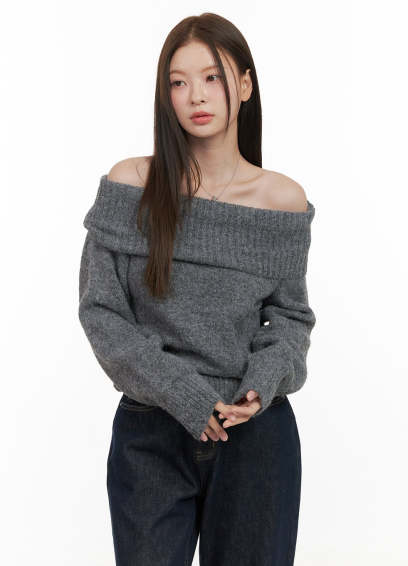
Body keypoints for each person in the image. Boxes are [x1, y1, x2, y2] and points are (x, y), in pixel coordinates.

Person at [78, 12, 316, 566]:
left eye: (212, 77)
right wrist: (182, 393)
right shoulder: (131, 185)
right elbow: (101, 312)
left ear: (245, 85)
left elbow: (291, 319)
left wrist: (259, 386)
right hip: (151, 432)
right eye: (178, 82)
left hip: (255, 438)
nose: (196, 96)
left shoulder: (281, 200)